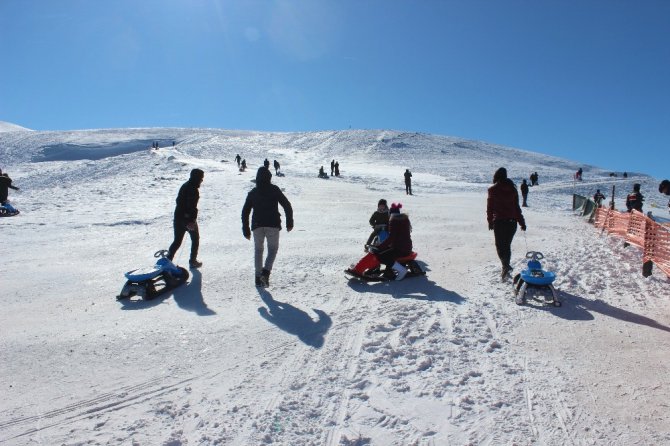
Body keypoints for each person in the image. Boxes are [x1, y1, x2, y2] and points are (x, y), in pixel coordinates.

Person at [242, 167, 294, 287]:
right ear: (269, 177)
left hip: (257, 225)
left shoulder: (253, 193)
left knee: (258, 250)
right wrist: (289, 222)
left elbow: (245, 212)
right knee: (272, 250)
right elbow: (287, 205)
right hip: (272, 224)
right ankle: (265, 273)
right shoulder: (274, 190)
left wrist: (245, 229)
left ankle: (257, 277)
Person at [347, 203, 412, 281]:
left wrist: (380, 247)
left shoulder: (394, 221)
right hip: (405, 247)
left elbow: (391, 238)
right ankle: (361, 268)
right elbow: (397, 237)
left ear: (390, 214)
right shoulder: (404, 220)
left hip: (400, 249)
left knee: (381, 256)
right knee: (380, 253)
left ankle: (402, 270)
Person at [487, 167, 526, 281]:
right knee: (506, 246)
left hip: (499, 222)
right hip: (512, 222)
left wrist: (490, 221)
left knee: (500, 246)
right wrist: (521, 222)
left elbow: (490, 208)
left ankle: (505, 266)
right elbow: (517, 208)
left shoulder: (493, 189)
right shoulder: (513, 189)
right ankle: (506, 266)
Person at [167, 169, 204, 268]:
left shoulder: (185, 185)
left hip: (178, 217)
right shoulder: (193, 189)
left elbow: (178, 201)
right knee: (195, 239)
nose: (202, 180)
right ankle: (193, 261)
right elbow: (191, 206)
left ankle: (167, 260)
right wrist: (191, 221)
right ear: (197, 178)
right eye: (201, 178)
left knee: (177, 241)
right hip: (187, 219)